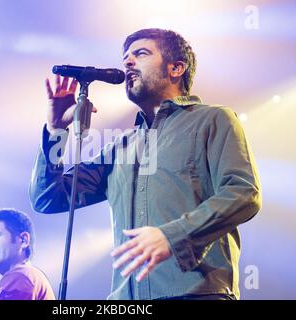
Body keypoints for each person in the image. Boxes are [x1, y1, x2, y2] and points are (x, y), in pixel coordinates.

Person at [29, 28, 261, 300]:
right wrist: (56, 130)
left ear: (176, 68)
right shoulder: (119, 147)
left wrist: (174, 235)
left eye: (140, 53)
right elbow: (48, 198)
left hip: (197, 294)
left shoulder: (213, 120)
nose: (127, 62)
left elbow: (244, 193)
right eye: (125, 56)